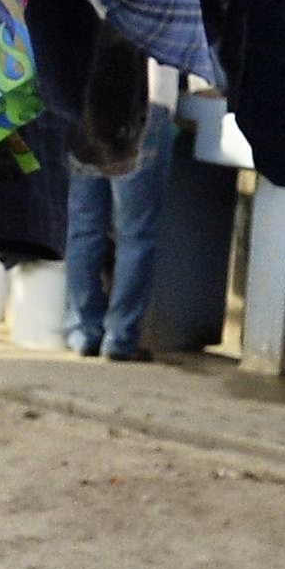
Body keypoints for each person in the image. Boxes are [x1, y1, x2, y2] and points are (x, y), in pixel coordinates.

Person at [62, 61, 185, 359]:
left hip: (87, 101)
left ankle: (83, 332)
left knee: (84, 228)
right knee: (135, 233)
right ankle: (120, 337)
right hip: (144, 101)